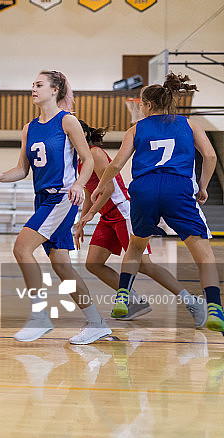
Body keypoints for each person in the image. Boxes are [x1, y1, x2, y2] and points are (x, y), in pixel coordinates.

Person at [0, 70, 112, 344]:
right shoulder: (29, 128)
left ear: (55, 90)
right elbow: (22, 169)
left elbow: (87, 160)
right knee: (62, 266)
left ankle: (39, 316)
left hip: (63, 198)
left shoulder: (67, 121)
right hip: (42, 198)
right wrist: (1, 176)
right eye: (32, 84)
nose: (33, 88)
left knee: (21, 248)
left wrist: (79, 184)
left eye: (39, 84)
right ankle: (96, 323)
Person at [92, 73, 223, 332]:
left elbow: (117, 164)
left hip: (144, 189)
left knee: (136, 247)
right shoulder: (189, 124)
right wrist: (204, 187)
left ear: (148, 105)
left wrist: (100, 185)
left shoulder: (136, 128)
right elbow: (209, 156)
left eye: (140, 104)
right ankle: (215, 309)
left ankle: (123, 296)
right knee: (204, 255)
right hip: (178, 188)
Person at [73, 120, 206, 326]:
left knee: (144, 265)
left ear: (81, 134)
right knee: (93, 263)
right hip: (107, 216)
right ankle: (134, 300)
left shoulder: (95, 153)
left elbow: (106, 189)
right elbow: (90, 191)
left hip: (123, 210)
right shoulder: (78, 160)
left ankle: (192, 302)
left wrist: (90, 213)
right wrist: (82, 220)